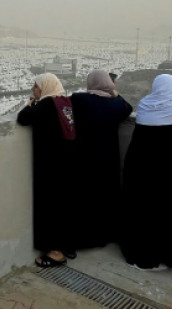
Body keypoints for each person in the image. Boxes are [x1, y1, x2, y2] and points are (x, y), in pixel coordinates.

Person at [119, 74, 172, 270]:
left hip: (138, 165)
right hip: (165, 170)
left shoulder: (145, 105)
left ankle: (136, 254)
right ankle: (158, 257)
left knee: (140, 210)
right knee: (164, 212)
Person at [16, 73, 79, 267]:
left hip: (50, 164)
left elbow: (22, 118)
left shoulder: (46, 105)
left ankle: (55, 253)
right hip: (67, 162)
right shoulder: (65, 102)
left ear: (45, 87)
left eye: (36, 86)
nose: (33, 89)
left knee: (50, 207)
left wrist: (30, 103)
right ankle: (67, 245)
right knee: (65, 204)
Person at [69, 69, 132, 249]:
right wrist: (114, 92)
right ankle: (104, 236)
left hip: (84, 156)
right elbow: (128, 108)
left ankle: (84, 238)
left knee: (85, 197)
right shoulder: (116, 105)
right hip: (108, 158)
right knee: (106, 197)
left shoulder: (79, 99)